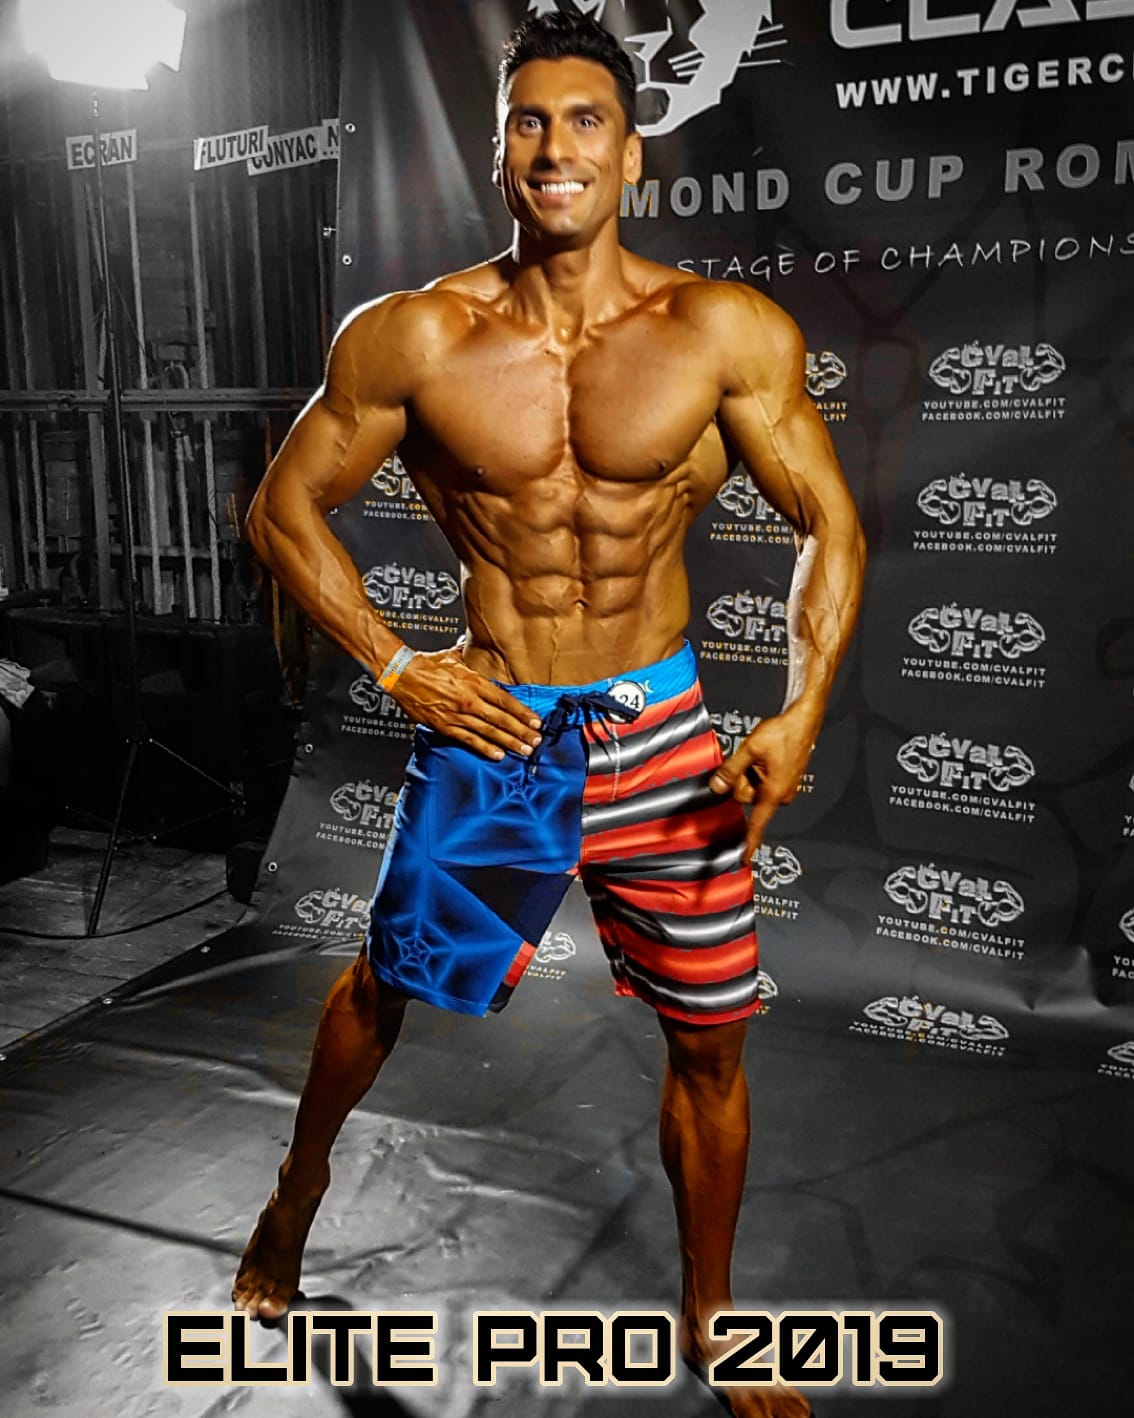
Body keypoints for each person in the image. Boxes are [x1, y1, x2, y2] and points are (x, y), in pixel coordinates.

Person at [234, 13, 865, 1416]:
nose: (555, 147)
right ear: (497, 149)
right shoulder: (415, 335)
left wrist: (801, 707)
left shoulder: (721, 331)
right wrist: (396, 664)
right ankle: (294, 1194)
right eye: (529, 121)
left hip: (666, 740)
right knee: (383, 987)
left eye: (586, 121)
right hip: (501, 736)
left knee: (711, 1040)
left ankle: (713, 1318)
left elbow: (830, 519)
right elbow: (282, 508)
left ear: (632, 153)